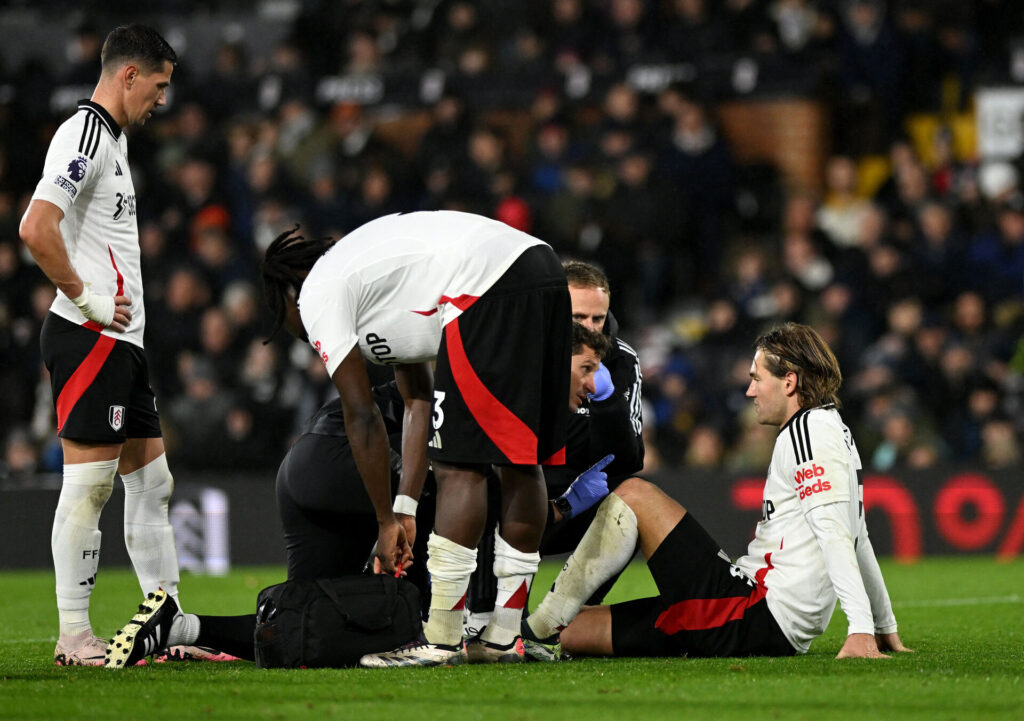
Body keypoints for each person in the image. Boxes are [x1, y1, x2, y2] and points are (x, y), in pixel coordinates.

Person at [101, 323, 610, 666]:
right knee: (428, 589)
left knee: (307, 626)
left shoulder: (508, 373)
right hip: (355, 462)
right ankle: (480, 633)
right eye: (586, 368)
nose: (596, 383)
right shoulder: (505, 382)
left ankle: (179, 627)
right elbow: (471, 490)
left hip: (313, 462)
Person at [522, 322, 912, 661]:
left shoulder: (808, 431)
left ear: (789, 381)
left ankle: (535, 627)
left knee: (635, 493)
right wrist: (883, 623)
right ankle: (549, 627)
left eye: (757, 378)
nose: (749, 391)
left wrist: (861, 628)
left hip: (754, 610)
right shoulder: (833, 428)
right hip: (753, 618)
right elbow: (858, 533)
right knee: (574, 632)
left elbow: (835, 530)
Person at [17, 24, 193, 667]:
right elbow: (36, 228)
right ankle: (73, 635)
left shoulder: (112, 143)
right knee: (90, 487)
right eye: (159, 85)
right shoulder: (84, 135)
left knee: (153, 483)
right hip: (91, 335)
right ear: (129, 75)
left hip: (123, 343)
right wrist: (85, 297)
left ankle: (167, 624)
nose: (162, 100)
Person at [465, 260, 644, 641]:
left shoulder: (621, 360)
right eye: (579, 317)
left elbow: (629, 459)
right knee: (478, 481)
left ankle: (546, 626)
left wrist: (608, 400)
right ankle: (479, 617)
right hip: (510, 503)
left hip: (570, 510)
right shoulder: (514, 349)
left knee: (631, 513)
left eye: (598, 318)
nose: (591, 328)